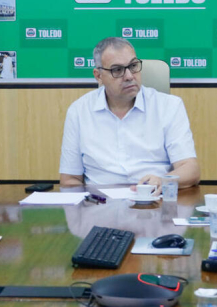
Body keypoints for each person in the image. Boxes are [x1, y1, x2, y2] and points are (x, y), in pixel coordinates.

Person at [59, 37, 200, 193]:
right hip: (99, 207)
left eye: (133, 66)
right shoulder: (79, 111)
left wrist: (162, 181)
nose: (129, 76)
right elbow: (70, 179)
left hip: (155, 202)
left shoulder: (169, 107)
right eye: (117, 70)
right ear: (98, 75)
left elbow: (190, 169)